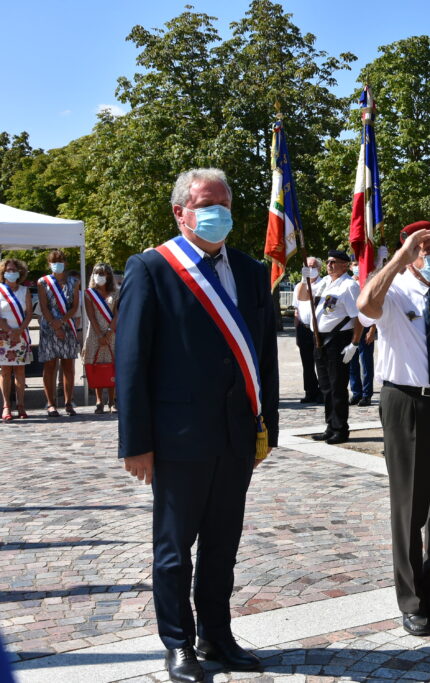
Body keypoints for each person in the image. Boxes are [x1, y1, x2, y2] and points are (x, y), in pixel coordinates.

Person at [117, 168, 279, 682]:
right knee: (173, 550)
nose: (219, 213)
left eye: (225, 203)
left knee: (222, 545)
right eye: (207, 203)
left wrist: (266, 424)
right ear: (180, 212)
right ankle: (178, 643)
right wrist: (136, 442)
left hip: (236, 434)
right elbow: (132, 360)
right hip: (178, 438)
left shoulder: (253, 271)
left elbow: (265, 357)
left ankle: (217, 634)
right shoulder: (152, 268)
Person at [356, 221, 430, 638]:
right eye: (428, 248)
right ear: (413, 252)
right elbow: (365, 305)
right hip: (406, 403)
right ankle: (411, 601)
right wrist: (398, 256)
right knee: (410, 506)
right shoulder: (392, 290)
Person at [299, 250, 361, 444]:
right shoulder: (326, 282)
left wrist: (354, 344)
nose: (329, 265)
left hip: (337, 340)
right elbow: (303, 297)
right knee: (325, 387)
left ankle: (341, 429)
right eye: (328, 262)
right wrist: (304, 279)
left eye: (334, 262)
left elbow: (357, 318)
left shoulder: (349, 285)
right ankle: (330, 426)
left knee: (337, 387)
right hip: (320, 340)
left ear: (344, 265)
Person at [37, 249, 80, 416]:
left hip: (68, 326)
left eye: (60, 260)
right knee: (50, 365)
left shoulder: (74, 282)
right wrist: (55, 326)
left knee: (68, 365)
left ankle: (69, 402)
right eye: (54, 261)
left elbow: (75, 306)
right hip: (49, 328)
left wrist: (62, 323)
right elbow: (43, 306)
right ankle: (50, 403)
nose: (57, 264)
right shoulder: (43, 282)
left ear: (65, 263)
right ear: (49, 264)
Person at [0, 258, 34, 421]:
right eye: (8, 270)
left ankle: (21, 405)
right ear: (3, 272)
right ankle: (6, 406)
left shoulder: (24, 291)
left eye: (14, 270)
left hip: (20, 335)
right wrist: (9, 330)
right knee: (5, 371)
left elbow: (29, 313)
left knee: (20, 370)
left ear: (19, 272)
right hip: (4, 336)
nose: (11, 273)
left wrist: (19, 330)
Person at [82, 263, 118, 413]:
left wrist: (109, 332)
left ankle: (112, 399)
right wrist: (99, 335)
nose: (99, 276)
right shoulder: (89, 293)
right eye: (96, 273)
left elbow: (117, 314)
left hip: (112, 332)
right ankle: (99, 400)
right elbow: (91, 315)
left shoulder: (116, 293)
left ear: (108, 276)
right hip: (94, 333)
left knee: (112, 365)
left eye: (102, 273)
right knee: (96, 365)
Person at [293, 256, 323, 404]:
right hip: (303, 328)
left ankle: (323, 391)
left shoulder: (324, 284)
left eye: (312, 266)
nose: (310, 269)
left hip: (318, 329)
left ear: (319, 268)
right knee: (307, 363)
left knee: (320, 361)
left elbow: (313, 298)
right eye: (307, 267)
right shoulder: (299, 286)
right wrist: (296, 332)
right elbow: (296, 311)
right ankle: (310, 391)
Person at [348, 322, 376, 407]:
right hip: (350, 329)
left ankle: (367, 395)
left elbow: (372, 310)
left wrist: (372, 329)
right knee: (352, 364)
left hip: (365, 328)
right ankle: (356, 393)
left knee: (366, 364)